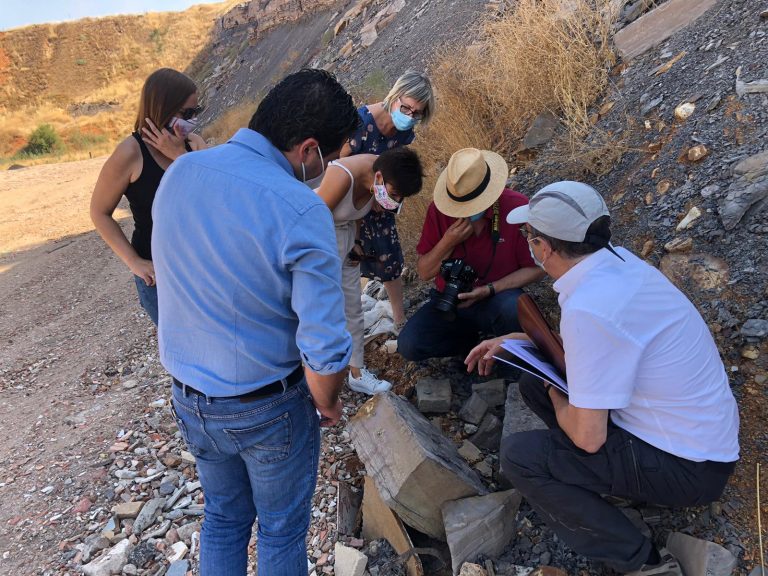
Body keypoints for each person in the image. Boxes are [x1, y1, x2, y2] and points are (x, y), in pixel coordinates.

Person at [466, 181, 740, 575]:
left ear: (543, 248)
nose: (528, 244)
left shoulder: (591, 307)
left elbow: (587, 436)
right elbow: (602, 348)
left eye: (530, 237)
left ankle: (641, 563)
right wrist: (517, 342)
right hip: (699, 440)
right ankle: (614, 484)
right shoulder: (616, 265)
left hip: (689, 467)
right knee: (532, 385)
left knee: (520, 458)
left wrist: (549, 382)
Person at [150, 69, 359, 576]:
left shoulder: (181, 172)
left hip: (188, 395)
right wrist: (326, 401)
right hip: (268, 406)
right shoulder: (299, 208)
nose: (325, 167)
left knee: (222, 517)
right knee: (281, 531)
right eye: (328, 157)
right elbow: (326, 347)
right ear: (308, 150)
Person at [397, 147, 544, 362]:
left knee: (515, 308)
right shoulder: (438, 211)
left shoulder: (516, 207)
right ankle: (472, 346)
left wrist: (488, 290)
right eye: (458, 205)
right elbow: (425, 272)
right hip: (451, 300)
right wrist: (448, 240)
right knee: (409, 344)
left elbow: (537, 268)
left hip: (498, 297)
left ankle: (510, 355)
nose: (463, 210)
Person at [90, 68, 206, 326]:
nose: (192, 120)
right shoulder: (130, 153)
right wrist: (134, 262)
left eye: (196, 112)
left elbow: (216, 194)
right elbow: (99, 211)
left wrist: (180, 157)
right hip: (159, 278)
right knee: (181, 355)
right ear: (162, 108)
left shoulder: (195, 144)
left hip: (202, 267)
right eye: (186, 113)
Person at [316, 147, 423, 394]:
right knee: (320, 312)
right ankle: (316, 380)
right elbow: (311, 219)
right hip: (320, 241)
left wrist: (355, 241)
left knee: (353, 309)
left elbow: (355, 213)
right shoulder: (343, 175)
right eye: (394, 194)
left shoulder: (380, 174)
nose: (395, 202)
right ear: (379, 178)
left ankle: (357, 372)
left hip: (345, 240)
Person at [340, 70, 436, 332]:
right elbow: (338, 167)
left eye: (417, 113)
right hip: (350, 201)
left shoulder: (405, 133)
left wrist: (391, 199)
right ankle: (347, 321)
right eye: (406, 108)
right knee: (349, 255)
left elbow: (398, 168)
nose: (410, 116)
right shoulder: (360, 123)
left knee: (390, 256)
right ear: (394, 96)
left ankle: (399, 317)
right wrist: (359, 200)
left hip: (381, 202)